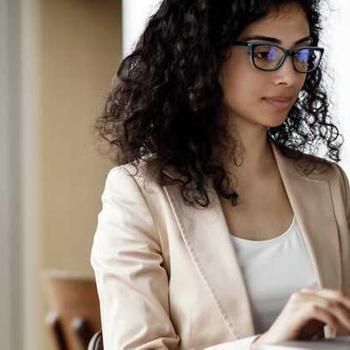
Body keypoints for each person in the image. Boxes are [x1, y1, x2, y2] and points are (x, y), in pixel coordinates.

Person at [90, 0, 350, 349]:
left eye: (300, 54)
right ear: (205, 54)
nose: (289, 75)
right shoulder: (139, 193)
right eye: (265, 52)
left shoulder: (328, 183)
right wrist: (266, 344)